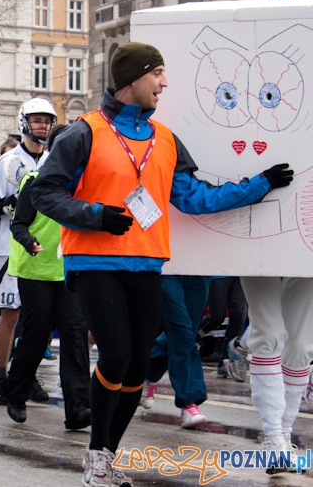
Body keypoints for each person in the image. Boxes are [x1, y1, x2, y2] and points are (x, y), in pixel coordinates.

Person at [26, 41, 293, 487]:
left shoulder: (165, 139)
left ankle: (107, 455)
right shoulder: (82, 133)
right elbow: (44, 193)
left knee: (136, 366)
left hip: (147, 264)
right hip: (94, 261)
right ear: (132, 78)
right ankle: (95, 458)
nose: (164, 83)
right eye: (158, 74)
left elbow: (193, 198)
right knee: (115, 354)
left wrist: (257, 185)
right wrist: (94, 216)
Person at [2, 124, 91, 429]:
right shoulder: (33, 180)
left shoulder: (84, 183)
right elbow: (18, 225)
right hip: (36, 272)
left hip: (71, 271)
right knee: (36, 336)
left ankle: (78, 408)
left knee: (75, 336)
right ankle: (15, 393)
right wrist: (29, 241)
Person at [0, 98, 55, 403]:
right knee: (11, 311)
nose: (42, 126)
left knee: (40, 318)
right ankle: (1, 377)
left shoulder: (53, 160)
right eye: (37, 120)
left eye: (47, 121)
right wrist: (8, 205)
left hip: (44, 249)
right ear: (24, 123)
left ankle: (26, 374)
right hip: (9, 248)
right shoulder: (8, 162)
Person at [238, 277, 313, 473]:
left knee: (301, 347)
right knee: (268, 335)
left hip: (304, 253)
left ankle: (285, 435)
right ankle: (274, 437)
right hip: (258, 249)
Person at [141, 275, 212, 428]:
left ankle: (147, 372)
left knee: (183, 336)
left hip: (200, 270)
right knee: (182, 332)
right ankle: (188, 402)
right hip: (167, 268)